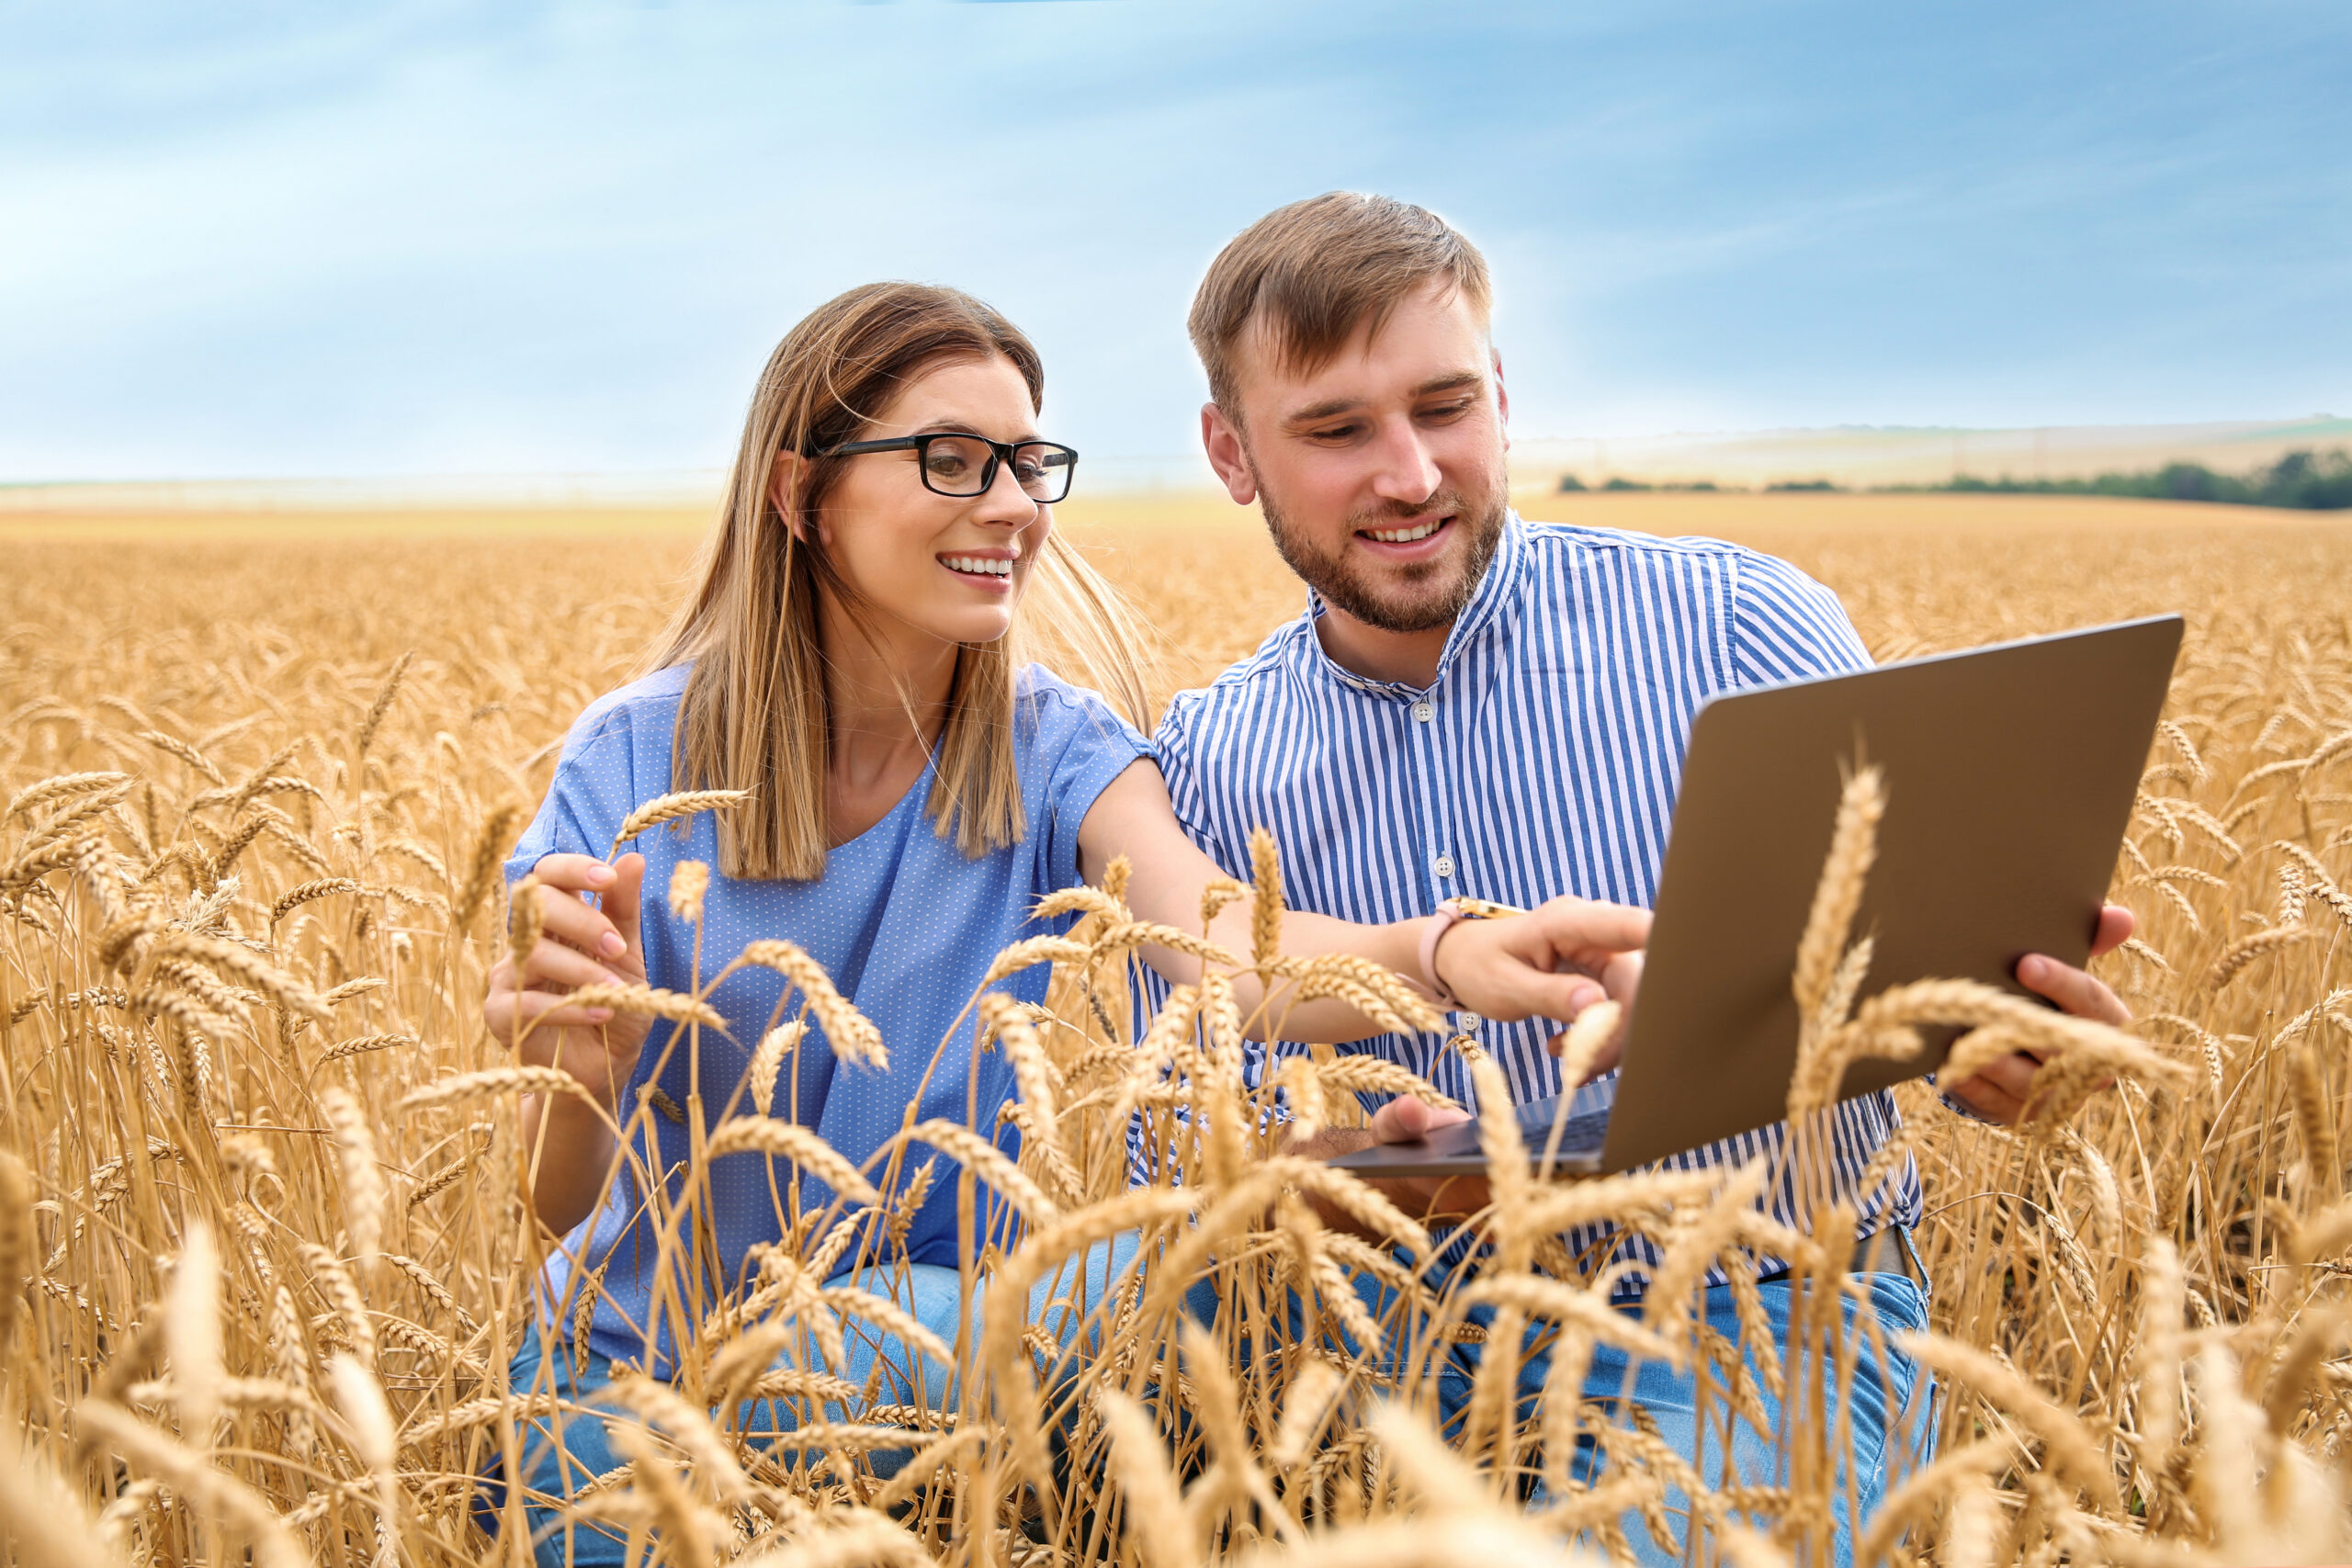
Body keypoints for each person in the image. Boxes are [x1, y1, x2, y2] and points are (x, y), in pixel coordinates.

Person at [476, 280, 1654, 1567]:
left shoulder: (1051, 748)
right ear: (799, 493)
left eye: (1030, 465)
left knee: (1285, 1274)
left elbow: (1224, 948)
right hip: (655, 1384)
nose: (1012, 506)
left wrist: (1444, 953)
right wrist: (578, 1074)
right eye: (951, 461)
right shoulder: (635, 761)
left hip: (946, 1374)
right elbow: (559, 1207)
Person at [1146, 193, 2140, 1564]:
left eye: (1446, 407)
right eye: (1335, 429)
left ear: (1503, 395)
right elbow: (1179, 1132)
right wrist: (1340, 1158)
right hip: (1364, 1328)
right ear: (1230, 452)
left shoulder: (1738, 625)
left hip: (1752, 1313)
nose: (1414, 474)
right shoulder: (1209, 753)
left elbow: (1931, 991)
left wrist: (2014, 1042)